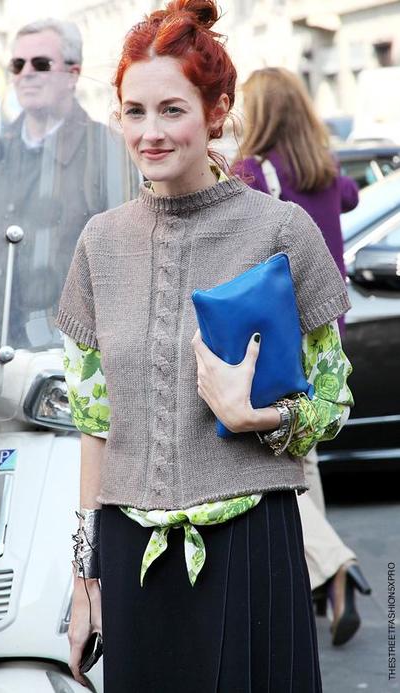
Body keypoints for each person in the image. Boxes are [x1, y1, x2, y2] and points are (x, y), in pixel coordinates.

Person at [57, 2, 354, 690]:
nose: (150, 133)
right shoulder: (100, 243)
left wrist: (264, 418)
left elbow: (333, 399)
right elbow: (94, 426)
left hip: (251, 548)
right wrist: (84, 583)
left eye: (171, 110)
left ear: (217, 111)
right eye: (134, 112)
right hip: (134, 560)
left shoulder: (278, 232)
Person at [233, 66, 371, 646]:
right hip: (328, 324)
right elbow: (351, 196)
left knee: (278, 459)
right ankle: (321, 583)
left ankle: (332, 562)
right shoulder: (325, 167)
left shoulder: (252, 171)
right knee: (304, 457)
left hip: (280, 331)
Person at [0, 18, 114, 351]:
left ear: (73, 75)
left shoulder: (107, 150)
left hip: (61, 356)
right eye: (17, 64)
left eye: (41, 64)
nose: (26, 72)